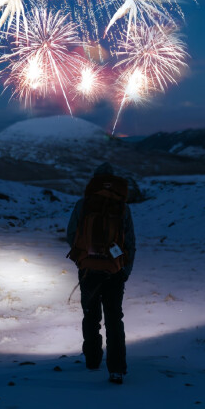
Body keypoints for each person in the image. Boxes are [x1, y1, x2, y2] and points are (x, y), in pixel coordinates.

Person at [66, 162, 136, 384]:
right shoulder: (123, 207)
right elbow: (130, 242)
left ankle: (92, 360)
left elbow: (71, 235)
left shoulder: (83, 204)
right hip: (114, 271)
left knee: (91, 315)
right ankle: (116, 369)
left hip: (88, 270)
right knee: (114, 318)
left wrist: (84, 261)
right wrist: (124, 270)